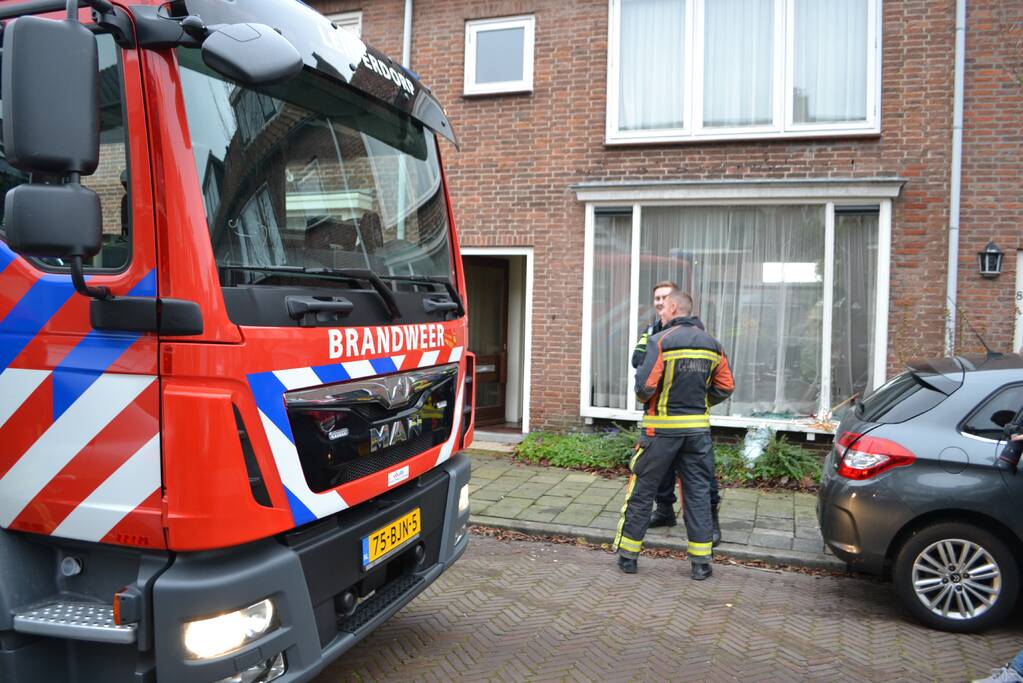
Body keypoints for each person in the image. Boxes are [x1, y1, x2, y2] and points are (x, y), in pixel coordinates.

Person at [614, 290, 734, 580]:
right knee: (698, 494)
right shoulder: (713, 345)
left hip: (660, 432)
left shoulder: (660, 341)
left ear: (676, 308)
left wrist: (653, 401)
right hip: (697, 433)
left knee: (642, 489)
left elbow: (644, 387)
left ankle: (629, 556)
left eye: (664, 308)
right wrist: (702, 403)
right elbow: (726, 386)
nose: (661, 313)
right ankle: (701, 563)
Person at [631, 282, 722, 546]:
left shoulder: (696, 334)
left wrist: (698, 398)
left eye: (665, 298)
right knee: (664, 472)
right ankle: (665, 512)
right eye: (657, 298)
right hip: (666, 418)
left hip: (679, 421)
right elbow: (637, 361)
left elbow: (644, 384)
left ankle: (711, 521)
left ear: (675, 304)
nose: (660, 302)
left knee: (700, 479)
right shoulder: (651, 331)